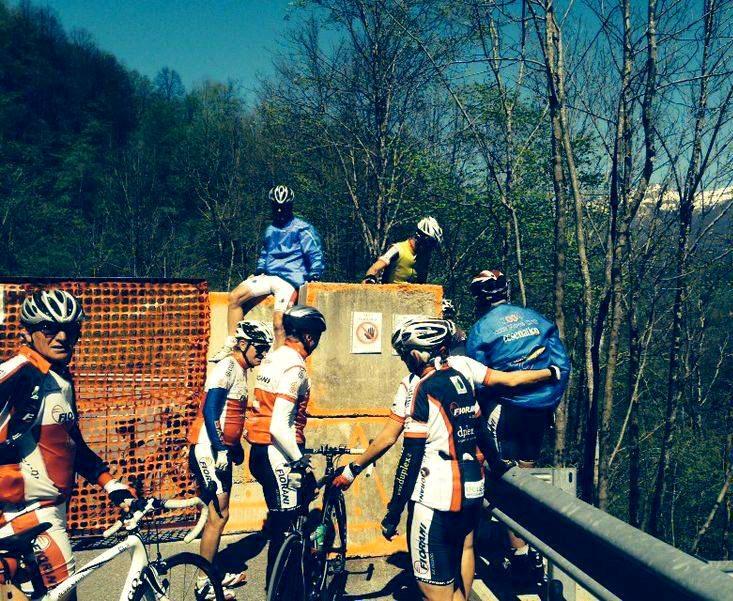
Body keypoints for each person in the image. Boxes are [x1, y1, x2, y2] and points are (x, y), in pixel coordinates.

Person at [0, 290, 136, 601]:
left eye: (71, 329)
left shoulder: (60, 376)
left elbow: (71, 444)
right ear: (27, 331)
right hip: (32, 515)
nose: (62, 336)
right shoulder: (21, 372)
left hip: (47, 511)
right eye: (49, 328)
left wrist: (110, 483)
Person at [332, 317, 560, 492]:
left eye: (404, 355)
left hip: (433, 480)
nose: (403, 360)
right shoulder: (464, 365)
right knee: (466, 546)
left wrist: (353, 470)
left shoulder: (411, 384)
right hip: (471, 474)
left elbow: (388, 437)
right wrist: (549, 372)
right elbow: (510, 380)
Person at [377, 318, 517, 601]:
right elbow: (480, 434)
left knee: (432, 589)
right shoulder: (461, 380)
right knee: (465, 552)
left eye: (405, 354)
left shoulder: (424, 387)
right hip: (472, 488)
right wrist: (499, 466)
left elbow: (410, 458)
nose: (405, 360)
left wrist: (393, 512)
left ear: (416, 354)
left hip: (437, 495)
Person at [466, 269, 571, 582]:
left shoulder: (480, 330)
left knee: (504, 478)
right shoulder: (536, 319)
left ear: (480, 298)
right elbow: (561, 366)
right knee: (524, 473)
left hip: (507, 409)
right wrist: (547, 400)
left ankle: (520, 555)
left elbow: (478, 381)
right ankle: (524, 549)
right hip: (538, 411)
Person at [187, 319, 274, 600]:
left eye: (265, 349)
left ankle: (212, 570)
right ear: (243, 344)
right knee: (219, 514)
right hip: (207, 450)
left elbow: (231, 414)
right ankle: (204, 582)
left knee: (221, 515)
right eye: (259, 348)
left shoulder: (241, 369)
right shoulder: (226, 367)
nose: (262, 353)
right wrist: (222, 448)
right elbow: (211, 411)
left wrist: (236, 446)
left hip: (221, 451)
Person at [243, 305, 327, 591]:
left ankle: (283, 590)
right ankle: (285, 593)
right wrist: (301, 460)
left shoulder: (273, 358)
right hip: (276, 451)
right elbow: (280, 425)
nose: (316, 343)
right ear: (308, 336)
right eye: (316, 336)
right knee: (286, 532)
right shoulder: (295, 368)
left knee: (285, 527)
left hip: (260, 450)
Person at [212, 184, 324, 360]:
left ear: (290, 206)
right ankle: (232, 344)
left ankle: (277, 361)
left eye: (283, 207)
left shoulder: (302, 228)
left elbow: (314, 252)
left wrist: (315, 273)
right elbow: (265, 252)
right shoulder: (270, 230)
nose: (280, 211)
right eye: (276, 207)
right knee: (235, 297)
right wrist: (260, 268)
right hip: (268, 275)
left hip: (289, 279)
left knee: (279, 323)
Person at [363, 217, 443, 284]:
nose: (429, 248)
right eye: (428, 243)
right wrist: (370, 279)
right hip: (391, 297)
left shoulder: (423, 258)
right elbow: (375, 269)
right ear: (420, 238)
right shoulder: (397, 249)